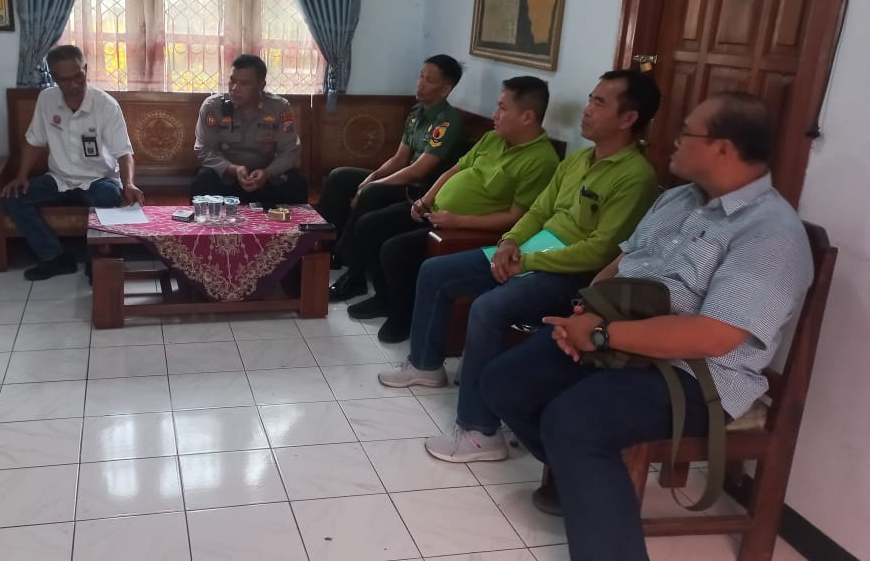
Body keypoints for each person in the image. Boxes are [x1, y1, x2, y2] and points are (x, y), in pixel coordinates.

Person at [479, 92, 813, 561]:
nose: (673, 139)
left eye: (686, 132)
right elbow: (622, 262)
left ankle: (591, 495)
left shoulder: (770, 233)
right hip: (620, 338)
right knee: (504, 382)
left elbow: (714, 336)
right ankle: (582, 478)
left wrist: (601, 336)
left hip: (694, 375)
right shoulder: (678, 198)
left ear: (723, 147)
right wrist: (584, 313)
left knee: (574, 422)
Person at [378, 70, 664, 462]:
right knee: (436, 272)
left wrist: (525, 260)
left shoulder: (635, 177)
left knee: (488, 308)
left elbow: (600, 251)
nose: (587, 110)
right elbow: (539, 211)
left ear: (628, 118)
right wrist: (509, 243)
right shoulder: (578, 160)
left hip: (571, 275)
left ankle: (480, 432)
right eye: (590, 99)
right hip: (528, 254)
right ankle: (426, 366)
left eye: (599, 103)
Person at [343, 76, 560, 343]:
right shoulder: (493, 138)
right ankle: (384, 298)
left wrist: (457, 220)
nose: (495, 114)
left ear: (527, 117)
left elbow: (515, 218)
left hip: (464, 228)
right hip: (436, 211)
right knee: (369, 226)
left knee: (395, 250)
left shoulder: (541, 160)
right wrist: (425, 201)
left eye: (503, 108)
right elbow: (455, 170)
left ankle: (402, 316)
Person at [327, 55, 468, 294]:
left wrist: (372, 186)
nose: (420, 83)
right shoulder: (417, 112)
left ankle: (354, 273)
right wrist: (371, 178)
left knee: (372, 193)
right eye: (421, 76)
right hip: (405, 178)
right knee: (339, 177)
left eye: (429, 80)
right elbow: (400, 159)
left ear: (446, 90)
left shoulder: (447, 123)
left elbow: (418, 171)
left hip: (422, 191)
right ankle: (326, 248)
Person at [0, 45, 143, 281]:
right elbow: (34, 141)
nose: (74, 85)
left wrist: (128, 183)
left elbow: (124, 152)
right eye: (65, 80)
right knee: (13, 198)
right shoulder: (47, 99)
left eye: (79, 76)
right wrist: (22, 176)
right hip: (59, 178)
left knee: (108, 197)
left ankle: (95, 263)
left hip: (99, 179)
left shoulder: (106, 105)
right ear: (54, 77)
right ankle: (54, 257)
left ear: (86, 69)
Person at [191, 55, 307, 205]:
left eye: (244, 83)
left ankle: (293, 222)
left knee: (297, 182)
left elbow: (290, 151)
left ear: (261, 85)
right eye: (232, 81)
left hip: (265, 179)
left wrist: (267, 173)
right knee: (203, 179)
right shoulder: (213, 107)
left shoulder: (279, 108)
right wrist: (233, 169)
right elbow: (203, 150)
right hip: (226, 179)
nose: (234, 88)